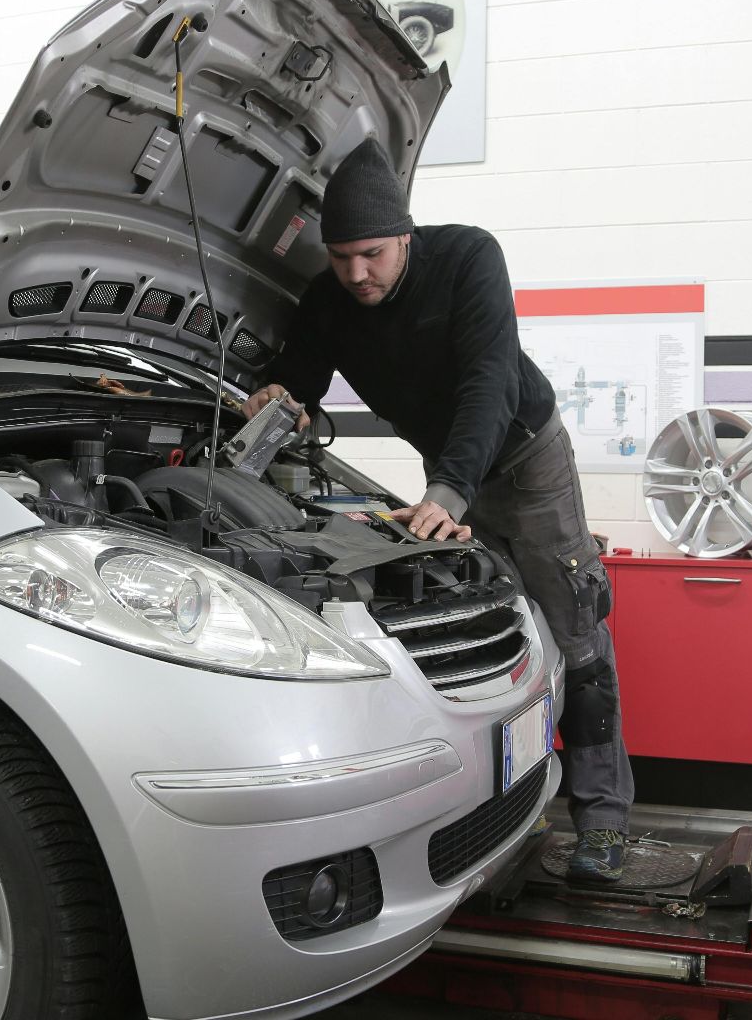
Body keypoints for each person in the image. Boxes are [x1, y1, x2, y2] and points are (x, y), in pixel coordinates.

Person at [243, 140, 635, 882]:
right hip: (447, 474)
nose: (356, 274)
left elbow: (490, 384)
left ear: (406, 236)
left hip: (523, 461)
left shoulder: (467, 260)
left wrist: (449, 492)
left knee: (576, 631)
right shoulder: (330, 299)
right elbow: (300, 379)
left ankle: (605, 821)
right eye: (341, 258)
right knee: (484, 632)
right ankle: (504, 807)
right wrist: (278, 396)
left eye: (372, 255)